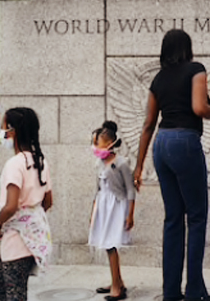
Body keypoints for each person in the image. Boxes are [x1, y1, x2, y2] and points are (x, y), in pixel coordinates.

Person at [133, 29, 210, 301]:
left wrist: (139, 166)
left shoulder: (158, 79)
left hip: (161, 145)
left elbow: (148, 124)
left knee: (173, 219)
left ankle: (171, 292)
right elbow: (199, 108)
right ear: (187, 48)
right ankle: (195, 291)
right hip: (185, 141)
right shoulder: (196, 70)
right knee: (197, 218)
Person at [0, 107, 52, 301]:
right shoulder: (40, 161)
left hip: (15, 242)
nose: (2, 132)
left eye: (4, 127)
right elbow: (48, 201)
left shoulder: (14, 164)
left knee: (15, 295)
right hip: (33, 239)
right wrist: (31, 218)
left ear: (13, 131)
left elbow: (11, 206)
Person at [89, 121, 136, 301]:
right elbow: (99, 188)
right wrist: (93, 211)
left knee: (111, 245)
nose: (94, 147)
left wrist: (130, 214)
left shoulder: (121, 163)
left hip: (116, 207)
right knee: (107, 245)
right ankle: (117, 281)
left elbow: (130, 190)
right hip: (103, 206)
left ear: (109, 143)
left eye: (97, 143)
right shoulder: (99, 163)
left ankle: (117, 287)